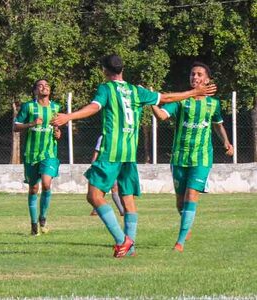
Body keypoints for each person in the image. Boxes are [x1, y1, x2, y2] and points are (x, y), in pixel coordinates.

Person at [52, 54, 217, 258]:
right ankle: (130, 250)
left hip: (111, 152)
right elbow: (166, 98)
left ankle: (123, 242)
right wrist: (194, 92)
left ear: (104, 70)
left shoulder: (106, 88)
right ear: (122, 70)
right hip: (129, 155)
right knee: (127, 199)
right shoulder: (135, 91)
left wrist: (68, 116)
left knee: (94, 196)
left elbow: (94, 107)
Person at [151, 62, 234, 252]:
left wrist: (226, 142)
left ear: (207, 80)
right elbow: (162, 116)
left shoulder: (214, 104)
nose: (195, 77)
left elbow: (217, 124)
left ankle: (179, 242)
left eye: (199, 74)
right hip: (179, 157)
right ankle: (186, 224)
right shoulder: (181, 101)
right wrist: (150, 102)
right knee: (180, 202)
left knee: (191, 195)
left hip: (202, 158)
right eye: (192, 74)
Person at [13, 79, 61, 235]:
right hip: (31, 154)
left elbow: (57, 129)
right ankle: (34, 225)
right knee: (33, 188)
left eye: (47, 85)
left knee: (46, 183)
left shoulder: (55, 107)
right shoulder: (28, 107)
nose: (44, 87)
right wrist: (31, 124)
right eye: (40, 85)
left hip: (49, 153)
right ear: (35, 91)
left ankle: (43, 218)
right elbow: (16, 126)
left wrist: (58, 133)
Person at [90, 135, 124, 217]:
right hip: (104, 165)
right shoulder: (103, 137)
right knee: (112, 187)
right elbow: (97, 151)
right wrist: (93, 164)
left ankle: (96, 209)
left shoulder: (120, 137)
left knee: (105, 188)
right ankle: (122, 211)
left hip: (115, 165)